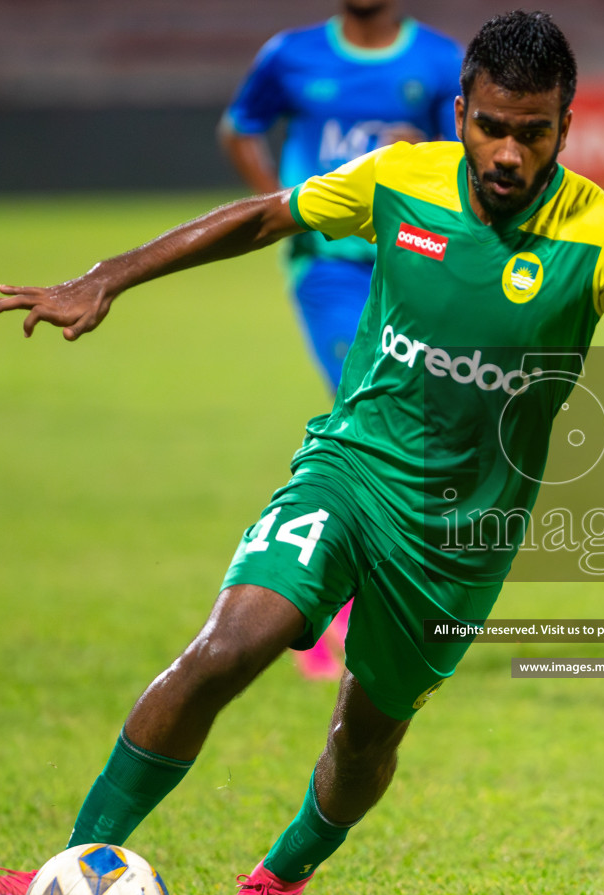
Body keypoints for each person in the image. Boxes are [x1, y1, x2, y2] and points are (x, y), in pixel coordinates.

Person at [0, 12, 604, 895]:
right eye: (491, 126)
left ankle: (274, 885)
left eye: (534, 132)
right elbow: (266, 215)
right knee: (229, 646)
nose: (510, 152)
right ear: (460, 112)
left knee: (364, 739)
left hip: (458, 541)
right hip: (349, 471)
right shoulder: (403, 178)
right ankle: (67, 868)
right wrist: (111, 274)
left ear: (567, 126)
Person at [221, 0, 462, 681]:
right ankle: (329, 614)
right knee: (369, 422)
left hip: (408, 269)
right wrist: (279, 206)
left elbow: (460, 164)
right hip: (326, 269)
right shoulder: (288, 55)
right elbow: (239, 128)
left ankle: (369, 602)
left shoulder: (439, 62)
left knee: (416, 431)